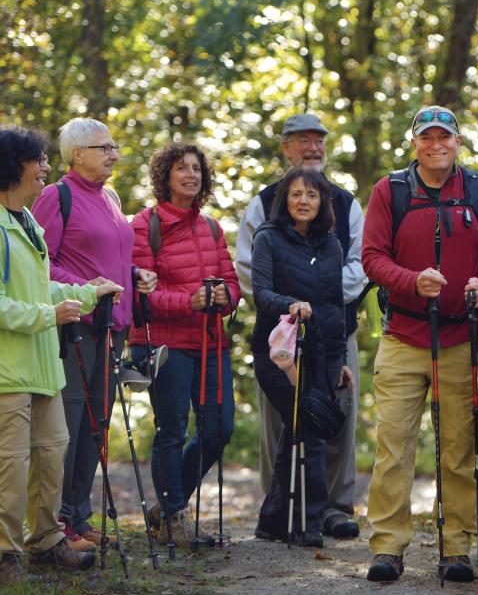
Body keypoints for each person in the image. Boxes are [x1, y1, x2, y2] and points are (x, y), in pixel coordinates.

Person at [361, 105, 478, 582]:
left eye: (444, 136)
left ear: (458, 142)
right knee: (394, 446)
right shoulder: (391, 190)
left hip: (462, 337)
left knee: (458, 450)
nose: (436, 144)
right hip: (403, 335)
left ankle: (456, 548)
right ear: (415, 144)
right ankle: (388, 547)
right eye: (427, 137)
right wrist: (410, 281)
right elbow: (372, 257)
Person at [0, 126, 122, 581]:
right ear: (15, 166)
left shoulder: (27, 222)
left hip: (43, 367)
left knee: (52, 454)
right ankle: (4, 555)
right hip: (8, 372)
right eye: (41, 161)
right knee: (10, 468)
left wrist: (87, 294)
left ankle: (46, 543)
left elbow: (39, 287)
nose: (47, 169)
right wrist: (48, 314)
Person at [236, 113, 365, 539]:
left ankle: (335, 506)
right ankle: (283, 509)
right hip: (282, 339)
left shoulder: (346, 203)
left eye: (319, 141)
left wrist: (315, 293)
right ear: (285, 149)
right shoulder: (263, 202)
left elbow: (358, 267)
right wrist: (295, 298)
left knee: (335, 417)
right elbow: (249, 271)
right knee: (283, 422)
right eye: (303, 141)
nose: (313, 148)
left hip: (333, 331)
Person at [31, 118, 157, 551]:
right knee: (70, 424)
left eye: (114, 146)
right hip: (76, 329)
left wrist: (134, 273)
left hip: (112, 327)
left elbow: (110, 257)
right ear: (76, 153)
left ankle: (78, 516)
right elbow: (41, 265)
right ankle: (55, 525)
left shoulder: (110, 196)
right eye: (104, 147)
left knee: (96, 426)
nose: (114, 154)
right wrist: (89, 290)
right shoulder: (56, 197)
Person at [128, 143, 240, 546]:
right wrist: (187, 302)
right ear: (165, 176)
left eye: (196, 169)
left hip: (211, 341)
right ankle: (175, 516)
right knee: (171, 430)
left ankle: (166, 506)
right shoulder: (145, 224)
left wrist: (228, 296)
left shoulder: (211, 227)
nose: (190, 175)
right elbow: (139, 295)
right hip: (166, 343)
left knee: (218, 427)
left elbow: (230, 279)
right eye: (181, 169)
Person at [250, 167, 352, 548]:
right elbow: (260, 293)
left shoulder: (332, 244)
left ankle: (273, 520)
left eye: (312, 194)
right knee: (309, 429)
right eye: (296, 194)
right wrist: (291, 305)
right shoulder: (269, 239)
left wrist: (339, 359)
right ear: (284, 200)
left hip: (323, 353)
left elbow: (335, 306)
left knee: (299, 429)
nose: (304, 201)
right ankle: (309, 524)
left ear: (323, 202)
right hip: (278, 352)